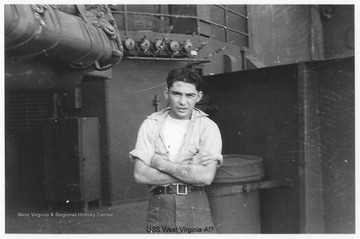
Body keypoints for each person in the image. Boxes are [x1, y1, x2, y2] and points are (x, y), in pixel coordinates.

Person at [129, 67, 223, 233]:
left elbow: (206, 176)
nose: (182, 102)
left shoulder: (208, 127)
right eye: (177, 94)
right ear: (167, 93)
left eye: (189, 95)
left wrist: (159, 163)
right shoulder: (151, 124)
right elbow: (140, 174)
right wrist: (190, 173)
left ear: (198, 97)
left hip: (195, 204)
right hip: (160, 206)